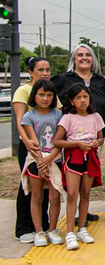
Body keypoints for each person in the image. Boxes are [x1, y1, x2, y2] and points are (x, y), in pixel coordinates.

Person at [53, 44, 105, 227]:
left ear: (93, 59)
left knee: (87, 181)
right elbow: (46, 93)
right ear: (74, 59)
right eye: (80, 55)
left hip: (94, 135)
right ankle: (73, 215)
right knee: (73, 182)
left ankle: (83, 213)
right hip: (72, 139)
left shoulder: (100, 80)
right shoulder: (64, 79)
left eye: (88, 55)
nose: (84, 58)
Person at [54, 84, 105, 251]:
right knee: (72, 194)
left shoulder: (95, 116)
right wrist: (76, 143)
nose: (82, 101)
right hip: (74, 158)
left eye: (85, 97)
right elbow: (57, 141)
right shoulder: (67, 118)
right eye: (78, 98)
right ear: (71, 100)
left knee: (86, 192)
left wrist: (97, 142)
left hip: (90, 157)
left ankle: (82, 228)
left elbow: (100, 137)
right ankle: (69, 232)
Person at [13, 57, 57, 243]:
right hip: (30, 147)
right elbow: (20, 119)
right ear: (30, 72)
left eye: (47, 69)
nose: (45, 73)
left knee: (48, 186)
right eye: (40, 69)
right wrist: (28, 141)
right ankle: (24, 227)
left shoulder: (51, 91)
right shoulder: (23, 90)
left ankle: (44, 225)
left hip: (50, 149)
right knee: (30, 187)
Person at [20, 80, 64, 246]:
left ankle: (52, 229)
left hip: (55, 159)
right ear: (34, 96)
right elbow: (33, 141)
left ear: (53, 97)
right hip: (36, 161)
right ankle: (38, 231)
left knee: (54, 196)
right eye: (41, 94)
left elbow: (60, 140)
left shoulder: (58, 115)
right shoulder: (29, 116)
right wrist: (41, 161)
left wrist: (50, 158)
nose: (45, 98)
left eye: (49, 95)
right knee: (37, 196)